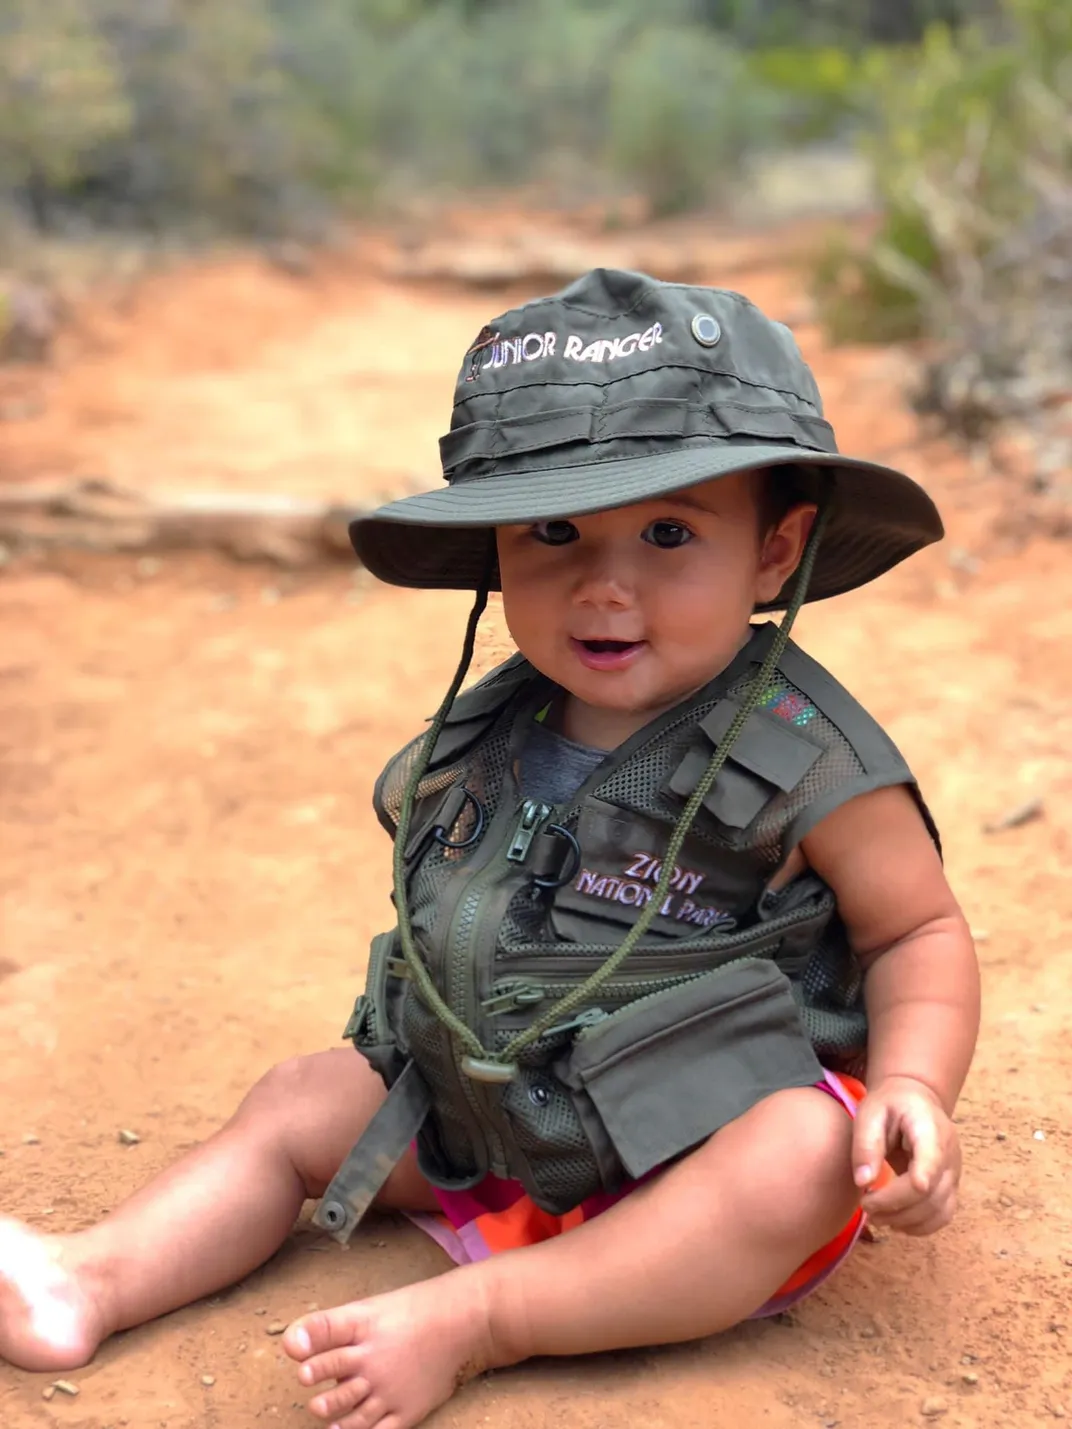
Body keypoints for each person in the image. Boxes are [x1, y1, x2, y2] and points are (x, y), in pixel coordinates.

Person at [0, 270, 979, 1429]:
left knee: (802, 1155)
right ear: (492, 548)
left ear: (776, 553)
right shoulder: (496, 720)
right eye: (552, 532)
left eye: (669, 533)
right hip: (504, 1117)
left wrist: (911, 1085)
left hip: (692, 1155)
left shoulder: (807, 758)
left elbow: (914, 930)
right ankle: (87, 1278)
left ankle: (490, 1315)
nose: (604, 584)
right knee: (303, 1099)